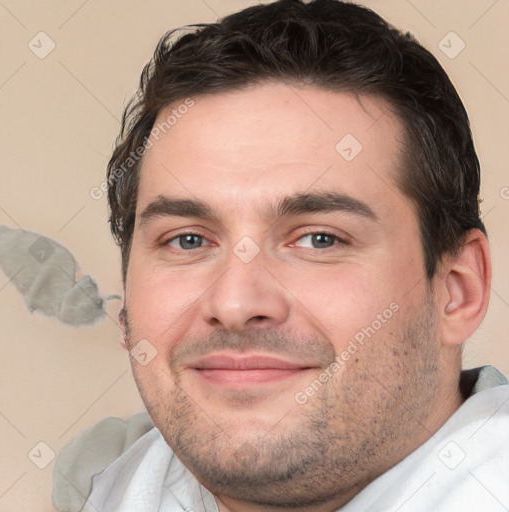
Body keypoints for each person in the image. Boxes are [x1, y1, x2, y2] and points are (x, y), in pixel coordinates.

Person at [60, 0, 509, 510]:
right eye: (188, 240)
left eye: (320, 239)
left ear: (457, 290)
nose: (234, 303)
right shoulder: (106, 486)